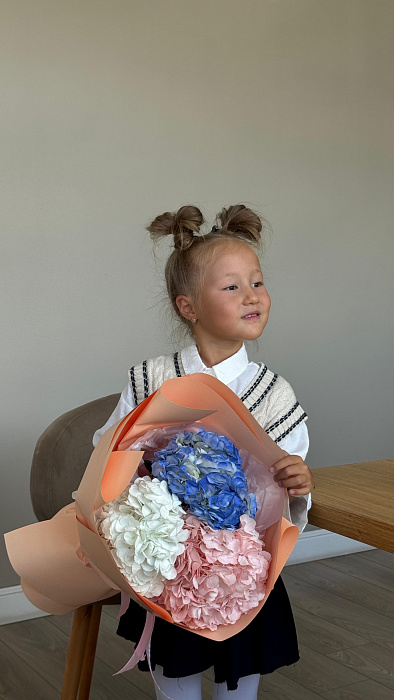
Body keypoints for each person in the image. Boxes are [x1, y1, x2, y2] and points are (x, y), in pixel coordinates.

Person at [93, 204, 313, 700]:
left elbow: (292, 475)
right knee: (176, 677)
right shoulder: (150, 378)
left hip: (245, 568)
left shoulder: (275, 393)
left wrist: (299, 479)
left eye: (257, 282)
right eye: (231, 286)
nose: (252, 296)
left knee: (240, 679)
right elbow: (107, 452)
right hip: (170, 563)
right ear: (188, 306)